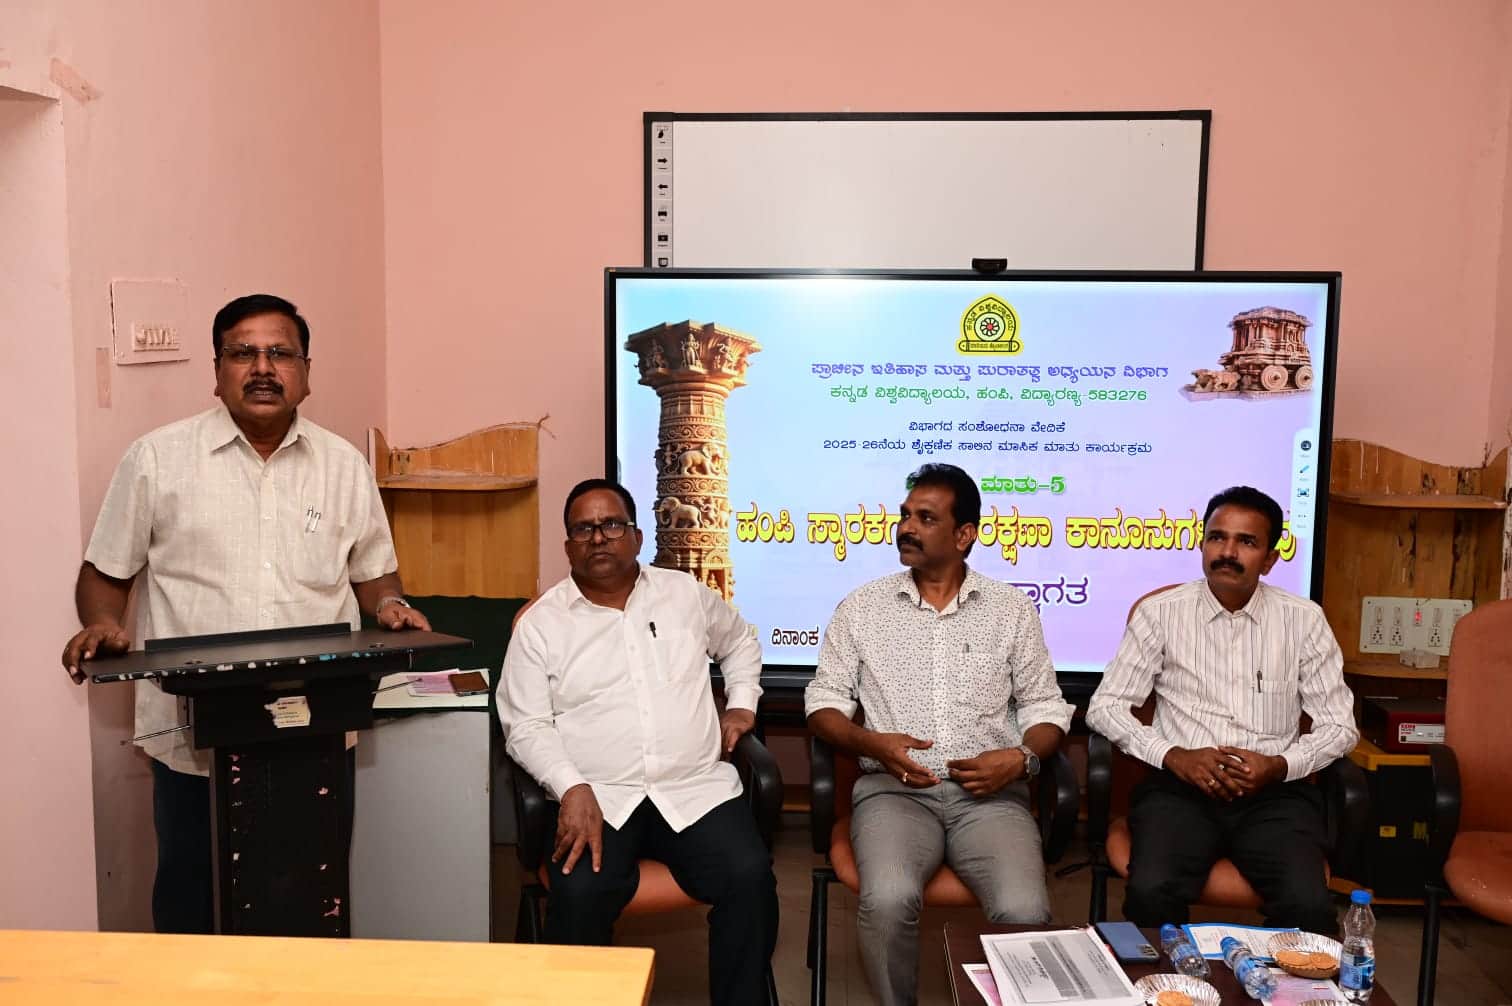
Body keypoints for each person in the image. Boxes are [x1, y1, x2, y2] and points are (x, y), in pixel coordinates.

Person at [60, 293, 430, 934]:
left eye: (280, 353)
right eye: (243, 353)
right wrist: (101, 623)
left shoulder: (343, 466)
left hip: (314, 729)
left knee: (311, 907)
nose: (263, 368)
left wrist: (392, 606)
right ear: (217, 371)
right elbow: (104, 575)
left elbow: (374, 576)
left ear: (306, 372)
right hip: (195, 736)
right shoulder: (157, 459)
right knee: (194, 908)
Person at [500, 479, 777, 1006]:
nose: (598, 537)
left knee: (749, 878)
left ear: (636, 535)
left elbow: (740, 641)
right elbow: (526, 725)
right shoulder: (540, 626)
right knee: (580, 893)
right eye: (583, 529)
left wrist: (742, 704)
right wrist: (571, 786)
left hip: (693, 790)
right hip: (598, 797)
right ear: (568, 546)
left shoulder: (684, 594)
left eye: (611, 525)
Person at [806, 463, 1074, 1006]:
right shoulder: (862, 607)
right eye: (905, 515)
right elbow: (823, 704)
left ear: (964, 534)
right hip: (894, 792)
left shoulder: (1011, 610)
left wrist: (1021, 758)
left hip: (991, 797)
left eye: (925, 518)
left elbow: (1045, 706)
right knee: (887, 899)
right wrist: (871, 744)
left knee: (1024, 910)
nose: (906, 527)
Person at [1086, 485, 1358, 934]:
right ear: (1202, 544)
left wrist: (1278, 765)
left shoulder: (1304, 619)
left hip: (1274, 795)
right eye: (1217, 537)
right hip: (1180, 790)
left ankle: (1274, 980)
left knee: (1307, 905)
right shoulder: (1160, 613)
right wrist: (1174, 755)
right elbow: (1105, 707)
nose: (1228, 552)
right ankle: (1168, 979)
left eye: (1246, 542)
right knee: (1152, 891)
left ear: (1270, 559)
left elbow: (1339, 726)